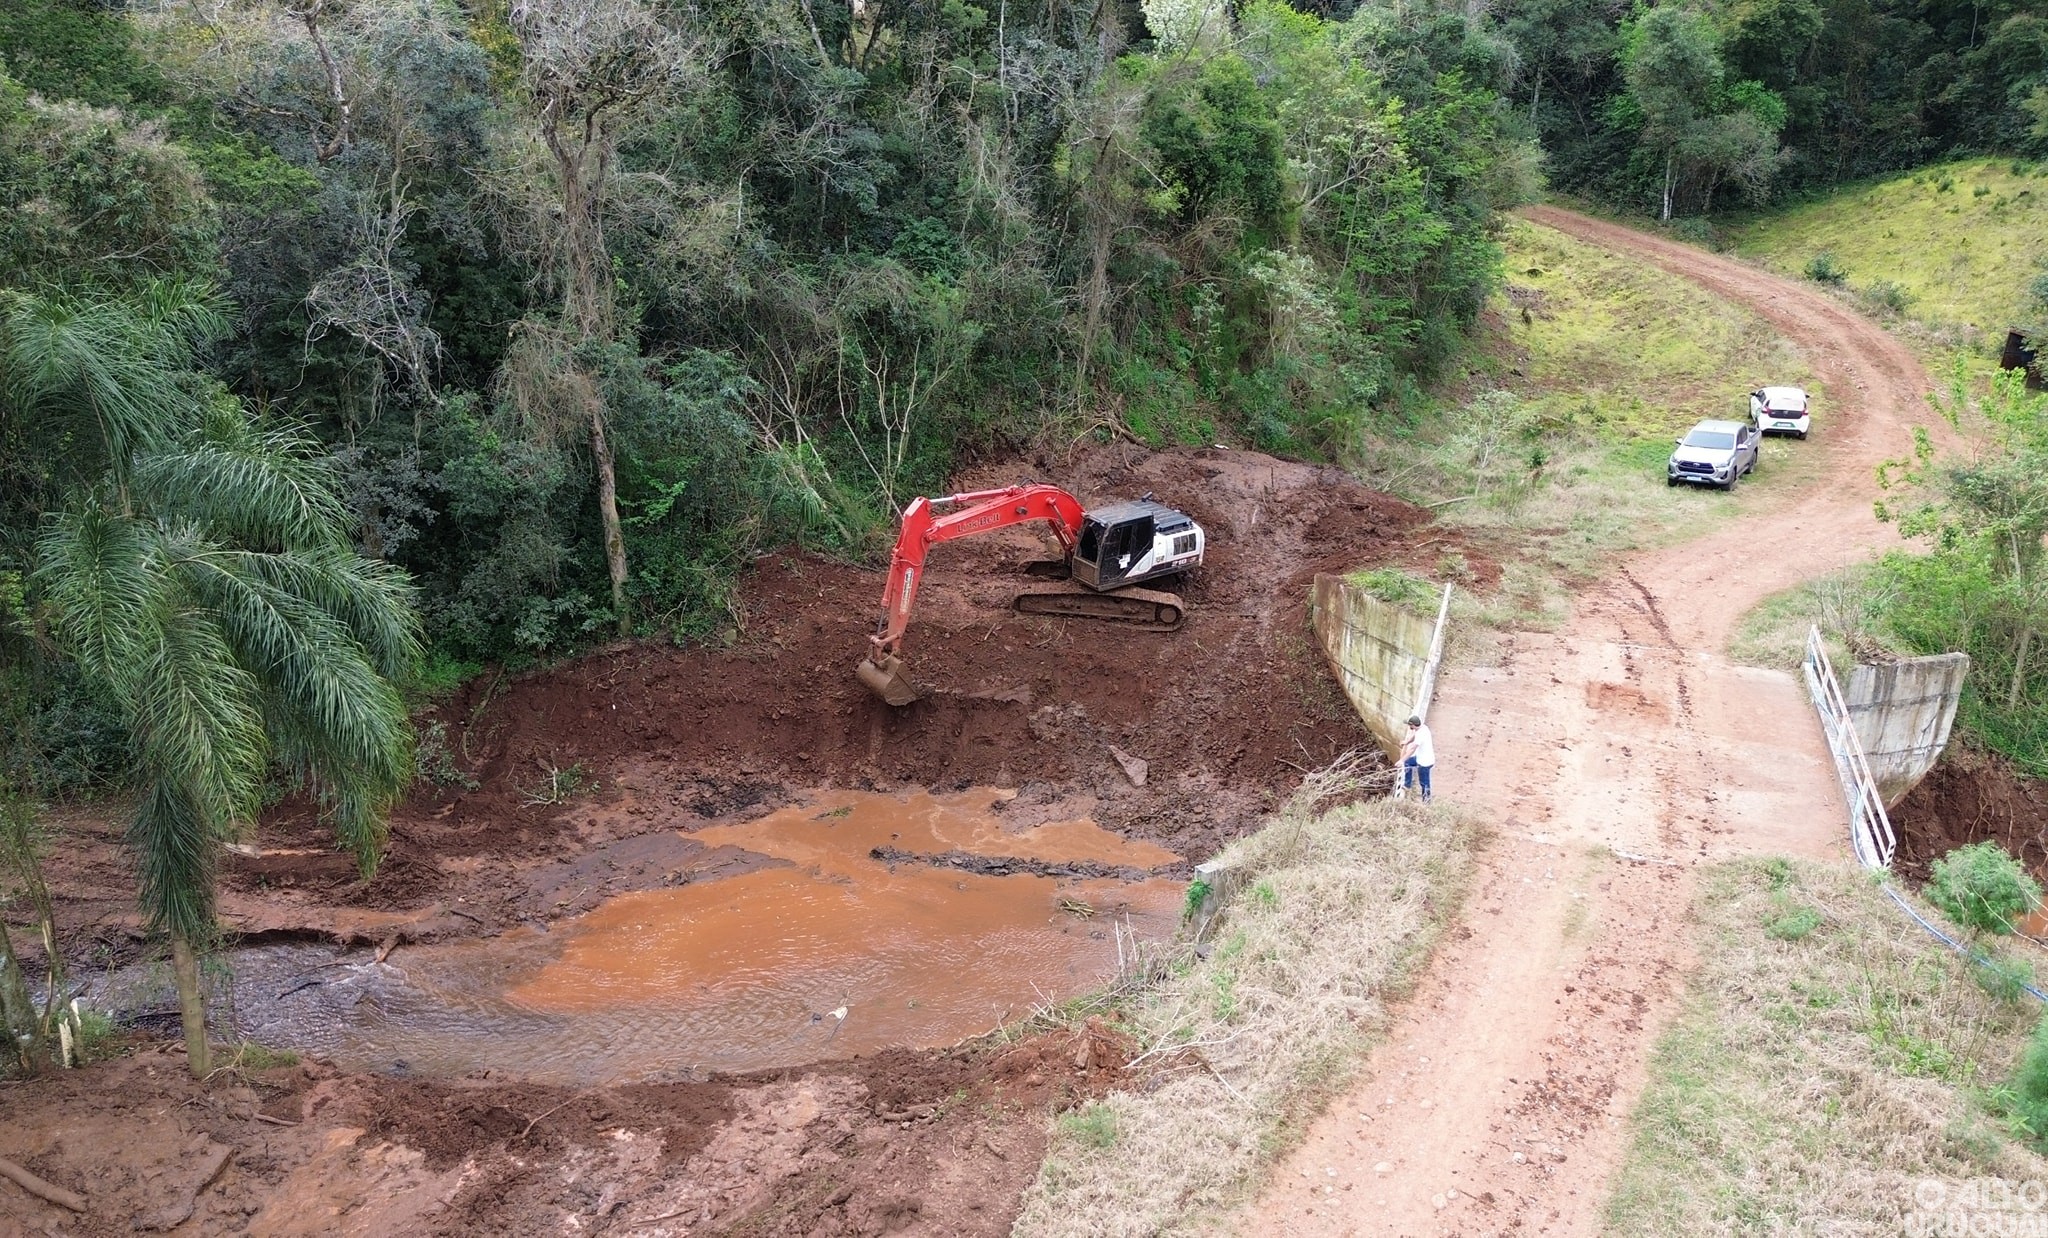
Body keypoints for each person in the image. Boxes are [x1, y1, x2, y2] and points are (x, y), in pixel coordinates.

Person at [1400, 715, 1435, 802]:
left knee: (1424, 783)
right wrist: (1407, 742)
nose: (1409, 727)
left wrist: (1401, 760)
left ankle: (1426, 801)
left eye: (1410, 725)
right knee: (1408, 762)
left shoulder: (1421, 735)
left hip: (1424, 763)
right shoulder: (1423, 728)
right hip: (1421, 757)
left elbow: (1412, 749)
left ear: (1413, 725)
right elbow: (1414, 736)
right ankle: (1407, 785)